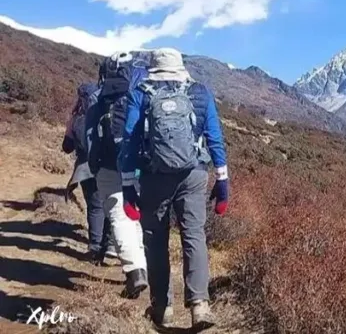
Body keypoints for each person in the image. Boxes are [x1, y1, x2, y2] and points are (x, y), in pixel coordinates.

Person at [118, 48, 230, 330]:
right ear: (180, 67)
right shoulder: (200, 93)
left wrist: (128, 185)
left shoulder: (140, 93)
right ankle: (200, 305)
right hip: (193, 174)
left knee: (155, 241)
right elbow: (214, 137)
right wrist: (222, 179)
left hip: (154, 177)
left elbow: (129, 142)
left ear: (153, 68)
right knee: (193, 235)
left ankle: (162, 307)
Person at [85, 53, 149, 298]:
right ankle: (142, 266)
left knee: (119, 217)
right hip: (137, 166)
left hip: (108, 166)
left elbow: (90, 137)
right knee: (134, 216)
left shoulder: (99, 99)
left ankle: (135, 272)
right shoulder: (139, 96)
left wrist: (94, 166)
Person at [62, 81, 111, 264]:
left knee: (95, 206)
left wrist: (70, 126)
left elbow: (66, 147)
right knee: (110, 205)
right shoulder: (105, 114)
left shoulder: (77, 118)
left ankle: (95, 247)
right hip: (108, 166)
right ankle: (110, 245)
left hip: (85, 168)